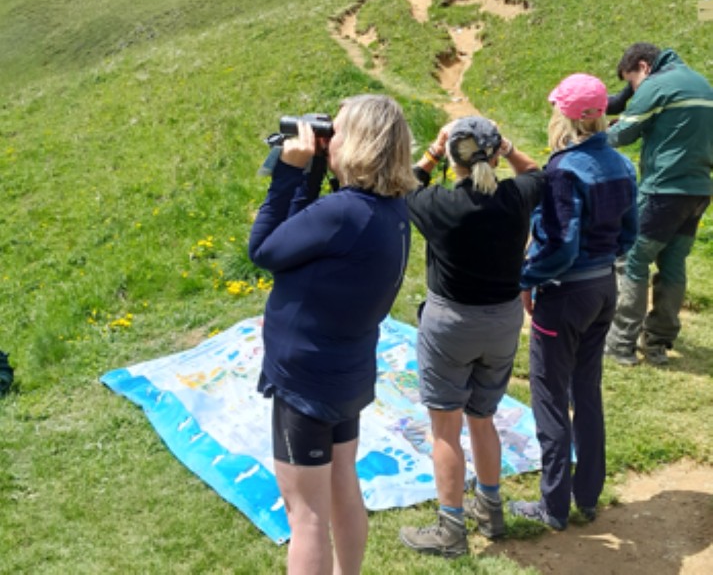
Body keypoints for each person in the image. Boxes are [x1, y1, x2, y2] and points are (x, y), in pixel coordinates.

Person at [248, 94, 415, 575]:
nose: (328, 139)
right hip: (347, 372)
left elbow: (264, 249)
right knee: (344, 482)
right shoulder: (388, 209)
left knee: (306, 516)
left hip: (305, 380)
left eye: (335, 132)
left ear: (360, 142)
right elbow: (302, 238)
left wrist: (288, 174)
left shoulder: (342, 213)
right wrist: (315, 174)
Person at [398, 116, 544, 558]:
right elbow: (537, 173)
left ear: (452, 157)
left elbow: (404, 181)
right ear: (495, 152)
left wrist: (433, 149)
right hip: (503, 319)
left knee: (445, 428)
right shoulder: (517, 199)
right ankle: (491, 510)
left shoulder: (438, 204)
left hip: (451, 323)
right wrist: (508, 144)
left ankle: (450, 529)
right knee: (484, 418)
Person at [509, 74, 638, 531]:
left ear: (564, 115)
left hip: (564, 295)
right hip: (605, 287)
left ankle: (553, 505)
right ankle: (587, 496)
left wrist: (527, 277)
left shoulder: (564, 169)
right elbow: (630, 234)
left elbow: (560, 244)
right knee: (587, 391)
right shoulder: (623, 164)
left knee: (547, 395)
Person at [604, 44, 713, 366]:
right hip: (699, 189)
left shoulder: (656, 85)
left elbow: (623, 134)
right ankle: (658, 343)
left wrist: (587, 138)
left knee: (632, 259)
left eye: (631, 81)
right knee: (674, 261)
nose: (633, 90)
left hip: (663, 190)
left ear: (643, 66)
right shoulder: (700, 82)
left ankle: (621, 343)